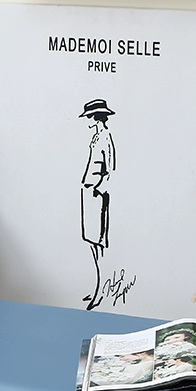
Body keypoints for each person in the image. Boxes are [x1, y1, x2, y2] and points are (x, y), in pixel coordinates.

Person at [79, 99, 116, 310]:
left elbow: (109, 170)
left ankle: (101, 291)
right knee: (92, 242)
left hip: (97, 194)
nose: (87, 121)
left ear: (95, 117)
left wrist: (97, 188)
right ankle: (97, 288)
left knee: (99, 244)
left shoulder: (105, 137)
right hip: (89, 193)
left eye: (88, 117)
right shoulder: (96, 137)